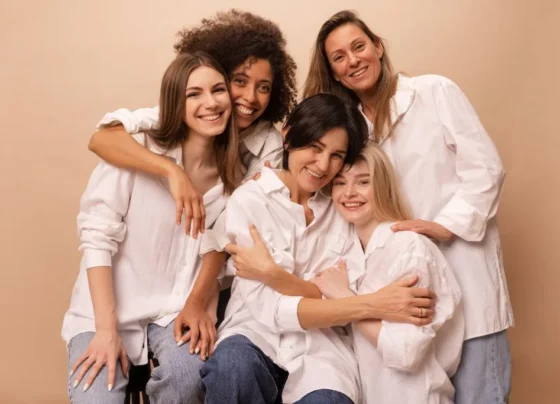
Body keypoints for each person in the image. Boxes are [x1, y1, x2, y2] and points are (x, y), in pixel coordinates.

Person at [303, 10, 513, 403]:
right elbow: (327, 179)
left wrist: (444, 225)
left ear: (378, 47)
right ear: (333, 73)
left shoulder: (434, 92)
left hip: (464, 271)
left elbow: (486, 169)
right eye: (339, 57)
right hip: (402, 294)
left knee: (479, 393)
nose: (353, 60)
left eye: (359, 46)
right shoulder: (349, 128)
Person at [85, 11, 298, 356]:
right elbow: (102, 139)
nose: (251, 97)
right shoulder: (187, 108)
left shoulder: (266, 146)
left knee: (197, 364)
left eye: (263, 87)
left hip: (219, 277)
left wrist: (198, 300)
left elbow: (230, 229)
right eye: (239, 81)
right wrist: (173, 172)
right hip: (153, 285)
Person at [201, 94, 436, 404]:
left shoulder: (343, 208)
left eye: (336, 155)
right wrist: (371, 303)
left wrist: (273, 274)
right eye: (315, 147)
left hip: (322, 349)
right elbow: (270, 308)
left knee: (328, 400)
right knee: (231, 369)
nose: (323, 165)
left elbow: (342, 296)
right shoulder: (250, 201)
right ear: (288, 136)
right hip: (254, 334)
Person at [61, 51, 239, 404]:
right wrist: (106, 330)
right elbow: (97, 239)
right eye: (194, 94)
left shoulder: (231, 180)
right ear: (174, 103)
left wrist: (202, 306)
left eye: (218, 90)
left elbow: (218, 251)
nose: (211, 103)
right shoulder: (133, 151)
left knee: (189, 379)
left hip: (173, 314)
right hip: (104, 314)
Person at [312, 143, 464, 403]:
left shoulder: (409, 248)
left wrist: (344, 299)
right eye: (339, 183)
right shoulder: (345, 252)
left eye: (363, 182)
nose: (349, 193)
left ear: (382, 186)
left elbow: (406, 353)